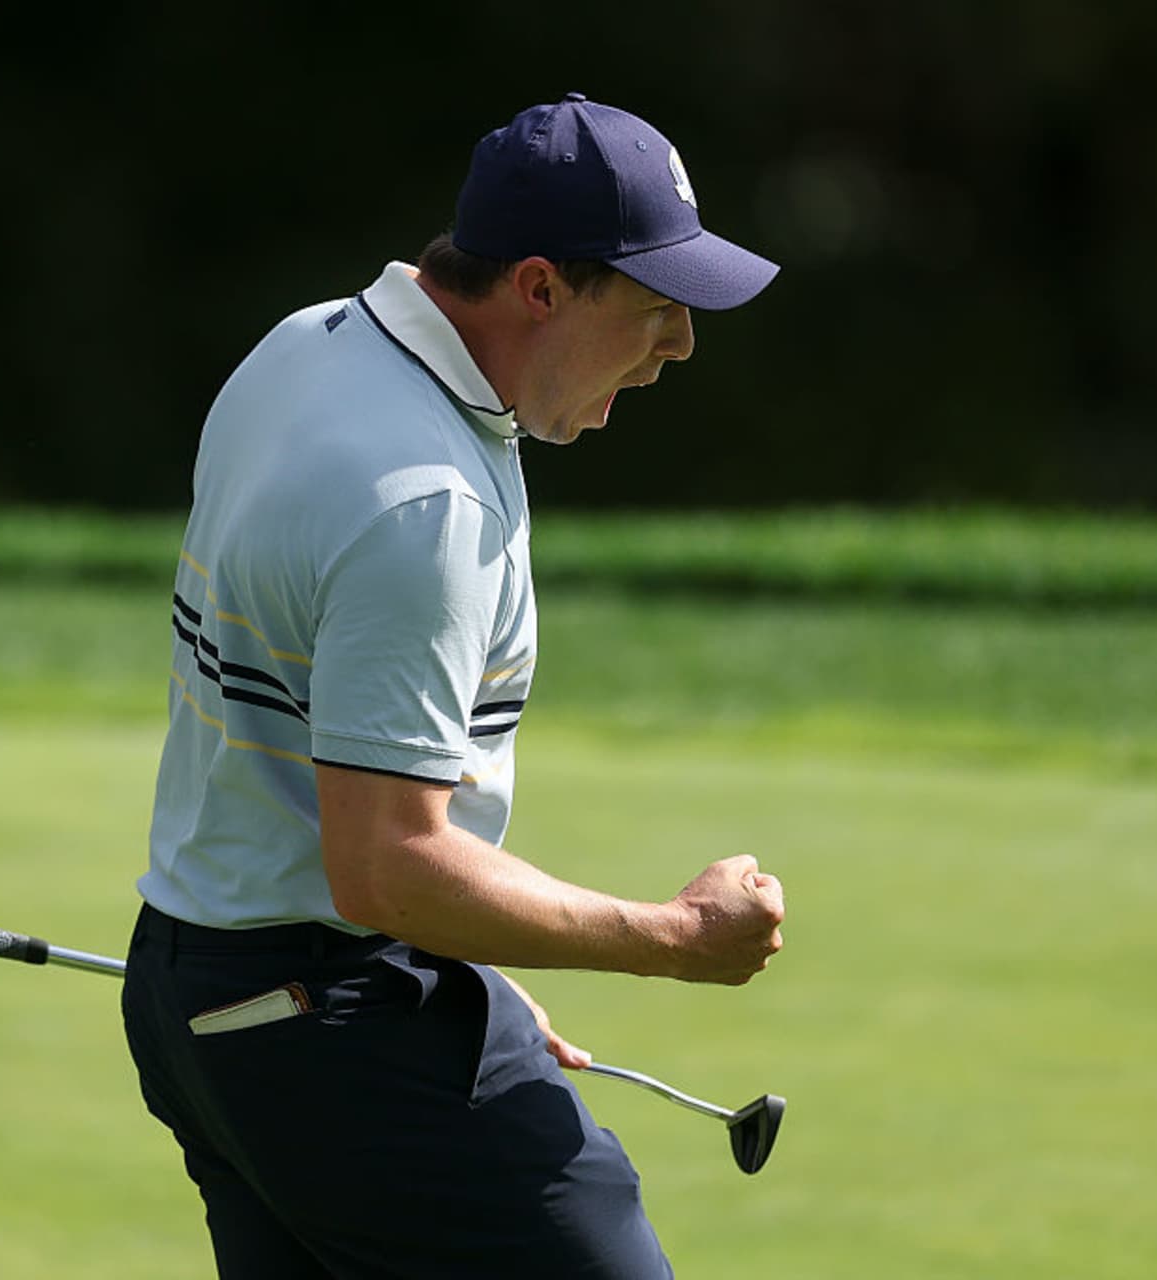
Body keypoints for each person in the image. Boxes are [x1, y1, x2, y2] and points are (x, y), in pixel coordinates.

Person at [121, 93, 785, 1278]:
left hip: (211, 994)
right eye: (653, 307)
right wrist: (674, 937)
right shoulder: (423, 499)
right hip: (321, 1023)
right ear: (538, 287)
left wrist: (459, 977)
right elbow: (387, 864)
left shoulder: (308, 344)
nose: (679, 345)